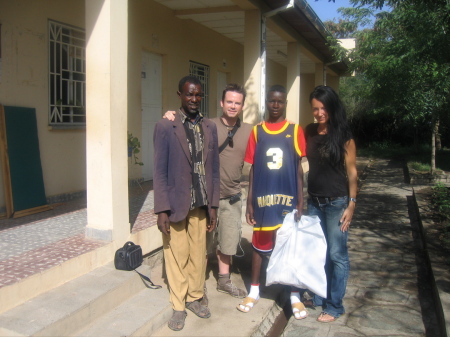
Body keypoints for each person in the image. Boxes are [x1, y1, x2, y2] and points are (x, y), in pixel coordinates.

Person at [164, 84, 252, 299]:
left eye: (237, 103)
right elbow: (184, 120)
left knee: (228, 242)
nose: (233, 106)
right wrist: (170, 114)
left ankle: (224, 280)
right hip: (205, 198)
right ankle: (198, 283)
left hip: (231, 197)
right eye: (229, 101)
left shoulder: (250, 131)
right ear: (222, 103)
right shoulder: (207, 124)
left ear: (242, 106)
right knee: (201, 244)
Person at [153, 75, 220, 331]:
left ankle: (194, 296)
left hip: (201, 203)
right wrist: (161, 209)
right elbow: (159, 171)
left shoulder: (209, 127)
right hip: (176, 204)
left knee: (197, 255)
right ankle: (178, 305)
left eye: (198, 94)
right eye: (189, 94)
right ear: (179, 94)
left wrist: (213, 205)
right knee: (175, 255)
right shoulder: (165, 126)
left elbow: (214, 170)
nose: (194, 99)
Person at [238, 85, 307, 319]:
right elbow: (253, 169)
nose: (275, 105)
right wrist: (249, 201)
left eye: (280, 101)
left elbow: (299, 169)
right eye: (271, 101)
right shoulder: (257, 131)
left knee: (290, 247)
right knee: (259, 245)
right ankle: (255, 290)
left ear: (285, 103)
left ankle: (294, 294)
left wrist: (301, 200)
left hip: (287, 200)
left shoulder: (295, 130)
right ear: (267, 103)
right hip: (263, 199)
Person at [304, 85, 357, 323]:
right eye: (315, 108)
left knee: (337, 255)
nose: (319, 112)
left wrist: (352, 204)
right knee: (318, 254)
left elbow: (352, 173)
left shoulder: (344, 137)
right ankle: (319, 296)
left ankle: (334, 306)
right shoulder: (309, 131)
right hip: (314, 202)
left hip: (337, 203)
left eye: (323, 107)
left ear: (332, 107)